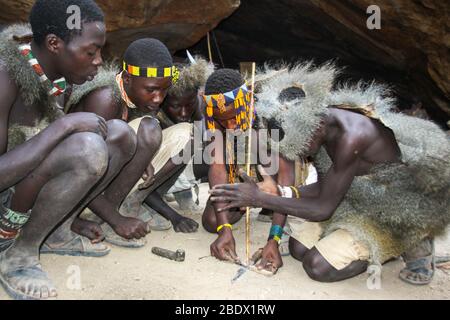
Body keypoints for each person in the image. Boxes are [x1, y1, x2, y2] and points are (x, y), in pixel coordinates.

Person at [210, 62, 450, 284]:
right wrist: (280, 192)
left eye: (300, 145)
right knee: (298, 249)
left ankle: (404, 242)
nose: (300, 152)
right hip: (356, 198)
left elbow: (324, 207)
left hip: (392, 209)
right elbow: (326, 187)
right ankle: (351, 239)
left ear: (316, 125)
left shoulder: (354, 136)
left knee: (316, 266)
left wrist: (260, 199)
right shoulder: (316, 127)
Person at [0, 0, 138, 300]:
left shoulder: (60, 80)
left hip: (26, 190)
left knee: (120, 134)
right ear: (54, 44)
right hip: (5, 204)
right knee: (87, 147)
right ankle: (18, 253)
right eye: (91, 51)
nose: (99, 60)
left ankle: (57, 233)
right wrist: (62, 127)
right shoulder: (5, 75)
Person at [66, 38, 199, 248]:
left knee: (189, 134)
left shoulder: (135, 97)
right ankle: (109, 215)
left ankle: (131, 204)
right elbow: (80, 171)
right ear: (127, 79)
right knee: (149, 129)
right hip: (75, 193)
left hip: (102, 186)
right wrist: (116, 221)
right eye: (151, 90)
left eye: (163, 91)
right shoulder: (106, 99)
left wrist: (140, 155)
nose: (158, 98)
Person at [201, 68, 291, 262]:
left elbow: (286, 176)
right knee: (211, 221)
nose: (230, 126)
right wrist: (224, 230)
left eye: (234, 117)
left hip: (274, 175)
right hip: (242, 170)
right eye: (222, 120)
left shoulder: (271, 116)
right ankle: (249, 200)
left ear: (247, 102)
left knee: (259, 142)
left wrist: (273, 240)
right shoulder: (213, 112)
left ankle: (273, 208)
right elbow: (217, 167)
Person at [155, 57, 213, 212]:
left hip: (179, 166)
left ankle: (182, 190)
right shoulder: (152, 114)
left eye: (189, 104)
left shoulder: (198, 106)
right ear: (162, 100)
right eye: (175, 106)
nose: (183, 112)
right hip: (153, 174)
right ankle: (155, 197)